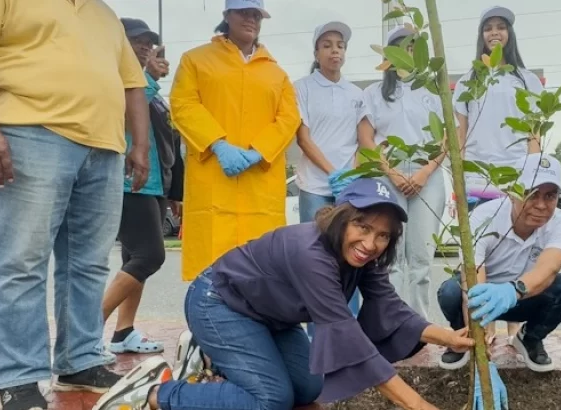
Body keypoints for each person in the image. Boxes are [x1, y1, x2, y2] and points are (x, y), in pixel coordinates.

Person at [93, 177, 513, 410]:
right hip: (219, 304)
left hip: (269, 318)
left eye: (384, 235)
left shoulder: (362, 257)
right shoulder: (311, 253)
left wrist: (450, 337)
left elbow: (389, 306)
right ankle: (154, 394)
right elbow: (344, 335)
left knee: (311, 388)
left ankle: (210, 358)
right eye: (363, 227)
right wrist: (418, 407)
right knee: (270, 399)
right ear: (343, 218)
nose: (371, 243)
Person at [0, 1, 151, 409]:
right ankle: (19, 379)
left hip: (104, 148)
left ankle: (80, 360)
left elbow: (131, 84)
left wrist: (140, 145)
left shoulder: (105, 16)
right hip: (30, 133)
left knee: (88, 263)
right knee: (20, 263)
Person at [170, 0, 300, 283]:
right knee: (211, 273)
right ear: (227, 15)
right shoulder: (196, 60)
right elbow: (183, 105)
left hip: (259, 185)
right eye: (244, 12)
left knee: (261, 270)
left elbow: (289, 118)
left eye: (256, 14)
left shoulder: (277, 74)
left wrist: (258, 152)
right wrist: (218, 144)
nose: (251, 19)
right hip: (215, 179)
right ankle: (204, 325)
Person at [445, 4, 545, 361]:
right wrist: (457, 178)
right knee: (476, 256)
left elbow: (535, 131)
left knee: (521, 256)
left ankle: (517, 333)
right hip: (476, 180)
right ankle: (479, 334)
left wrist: (534, 176)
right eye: (488, 28)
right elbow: (460, 131)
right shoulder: (469, 80)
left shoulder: (526, 79)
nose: (494, 33)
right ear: (481, 36)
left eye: (501, 27)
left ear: (510, 34)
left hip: (517, 180)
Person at [437, 154, 561, 373]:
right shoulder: (484, 217)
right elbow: (473, 282)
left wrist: (513, 290)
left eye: (550, 196)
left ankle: (530, 337)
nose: (542, 205)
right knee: (450, 291)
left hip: (526, 299)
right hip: (484, 297)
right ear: (512, 192)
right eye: (532, 194)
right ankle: (464, 340)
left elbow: (549, 269)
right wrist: (480, 348)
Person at [357, 26, 447, 320]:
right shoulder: (373, 93)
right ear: (390, 54)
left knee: (421, 256)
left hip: (428, 176)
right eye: (401, 47)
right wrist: (392, 173)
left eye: (413, 48)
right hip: (388, 175)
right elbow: (366, 138)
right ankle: (391, 322)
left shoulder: (434, 89)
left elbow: (448, 138)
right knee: (390, 255)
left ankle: (419, 324)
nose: (407, 53)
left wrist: (425, 171)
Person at [101, 18, 176, 355]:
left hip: (154, 184)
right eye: (137, 40)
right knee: (150, 256)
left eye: (148, 42)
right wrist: (150, 78)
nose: (145, 46)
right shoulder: (110, 75)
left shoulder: (150, 87)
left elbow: (166, 140)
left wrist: (175, 192)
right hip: (127, 182)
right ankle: (88, 330)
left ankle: (123, 332)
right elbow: (124, 113)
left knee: (135, 260)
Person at [294, 21, 365, 338]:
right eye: (327, 45)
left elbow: (362, 142)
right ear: (316, 52)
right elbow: (304, 139)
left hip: (348, 190)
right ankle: (316, 335)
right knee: (316, 260)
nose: (334, 50)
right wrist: (330, 172)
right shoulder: (303, 88)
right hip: (314, 189)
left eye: (340, 45)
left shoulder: (356, 94)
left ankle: (349, 332)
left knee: (350, 258)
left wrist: (351, 175)